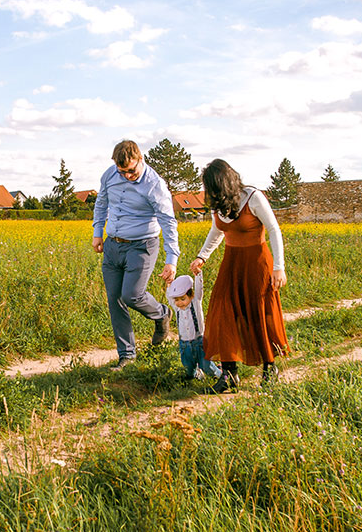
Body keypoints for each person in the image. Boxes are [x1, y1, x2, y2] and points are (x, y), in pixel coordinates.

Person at [189, 159, 289, 392]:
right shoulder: (219, 203)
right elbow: (217, 231)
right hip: (231, 262)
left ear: (224, 183)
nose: (210, 193)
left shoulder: (253, 197)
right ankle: (229, 374)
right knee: (223, 311)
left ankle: (269, 367)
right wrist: (202, 256)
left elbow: (274, 229)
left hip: (257, 262)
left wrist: (279, 267)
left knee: (258, 313)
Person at [93, 140, 179, 369]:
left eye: (131, 170)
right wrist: (97, 232)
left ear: (140, 159)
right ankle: (127, 355)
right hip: (113, 245)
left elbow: (168, 222)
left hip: (142, 246)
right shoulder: (110, 175)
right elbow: (101, 203)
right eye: (123, 172)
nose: (128, 175)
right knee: (115, 300)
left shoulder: (154, 184)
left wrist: (172, 259)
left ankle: (162, 314)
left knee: (132, 295)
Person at [165, 273, 222, 382]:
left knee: (207, 366)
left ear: (191, 296)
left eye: (183, 299)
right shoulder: (177, 309)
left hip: (199, 342)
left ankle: (220, 375)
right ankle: (196, 374)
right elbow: (169, 298)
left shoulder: (195, 303)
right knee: (188, 368)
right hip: (185, 344)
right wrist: (169, 285)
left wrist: (198, 274)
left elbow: (199, 290)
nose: (180, 303)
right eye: (177, 300)